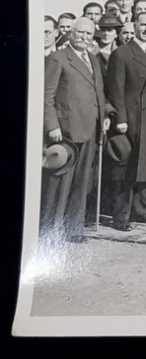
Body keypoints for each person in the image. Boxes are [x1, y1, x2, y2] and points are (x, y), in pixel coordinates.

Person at [42, 17, 113, 243]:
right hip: (66, 132)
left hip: (90, 129)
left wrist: (105, 115)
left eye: (89, 34)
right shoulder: (58, 58)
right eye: (80, 33)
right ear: (71, 33)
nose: (84, 37)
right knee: (60, 184)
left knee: (82, 182)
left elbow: (98, 93)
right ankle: (50, 231)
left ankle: (73, 229)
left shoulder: (93, 59)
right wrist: (52, 125)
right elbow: (46, 96)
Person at [105, 12, 146, 230]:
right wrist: (120, 119)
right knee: (125, 168)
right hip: (129, 119)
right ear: (135, 26)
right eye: (143, 25)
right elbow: (115, 91)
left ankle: (145, 211)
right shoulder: (121, 54)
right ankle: (120, 217)